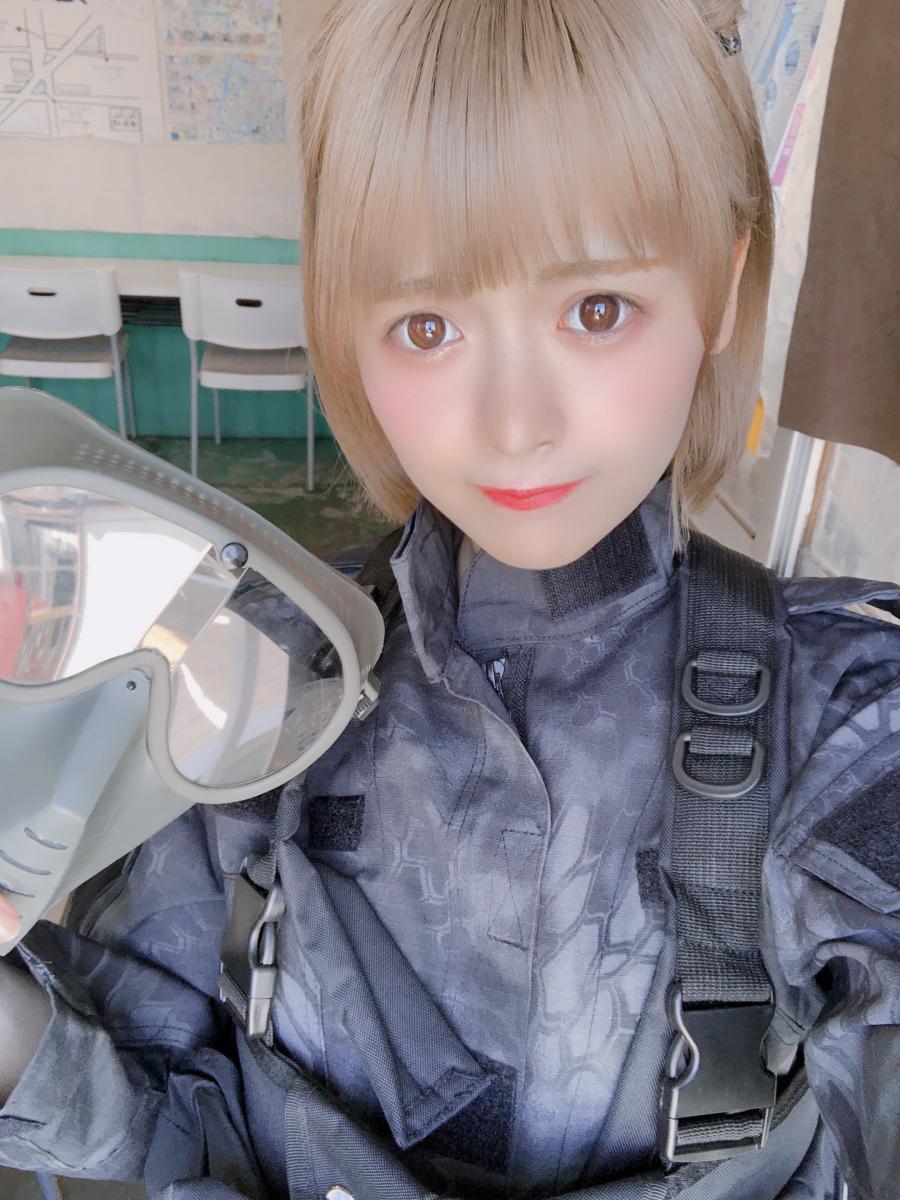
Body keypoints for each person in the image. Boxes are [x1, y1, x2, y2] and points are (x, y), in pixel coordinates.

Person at [0, 2, 898, 1197]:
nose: (514, 422)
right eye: (426, 326)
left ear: (724, 285)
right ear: (347, 327)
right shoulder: (244, 672)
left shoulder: (847, 717)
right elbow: (152, 1107)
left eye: (596, 310)